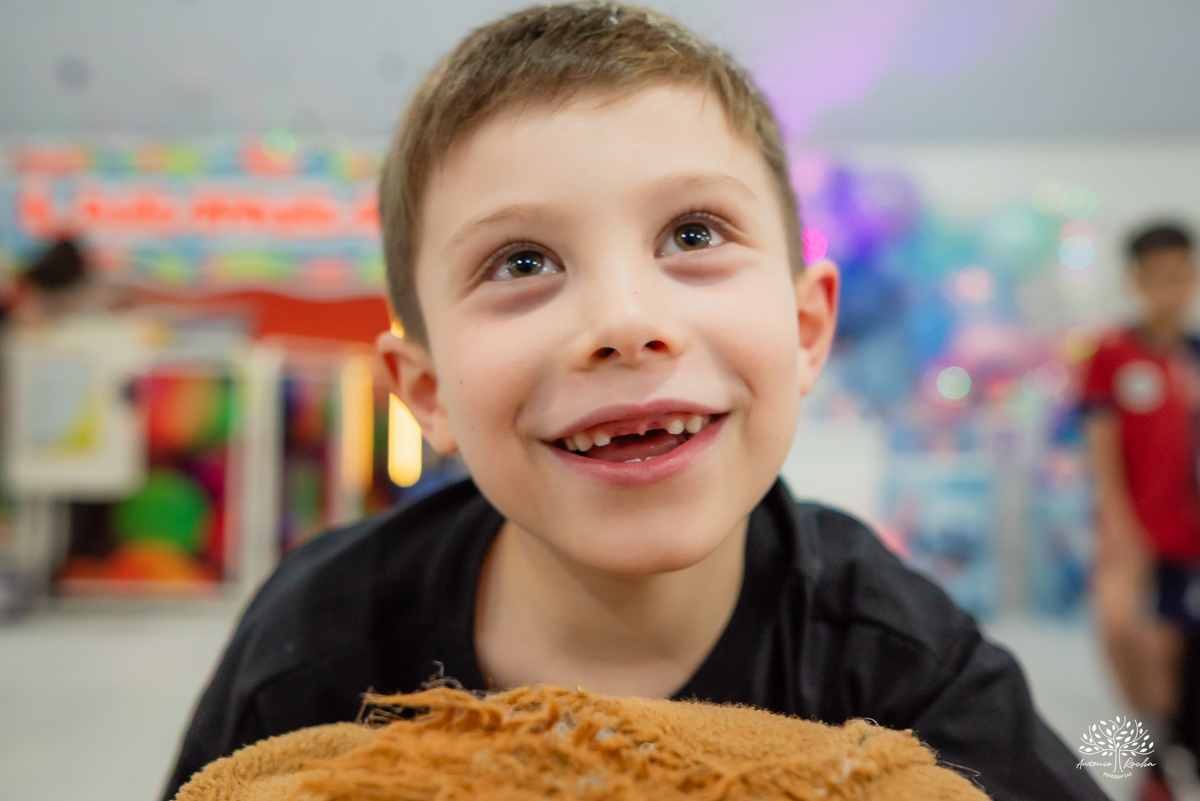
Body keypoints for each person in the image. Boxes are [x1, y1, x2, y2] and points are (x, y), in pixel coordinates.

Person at [163, 4, 1105, 799]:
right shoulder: (315, 639)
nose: (624, 321)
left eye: (693, 233)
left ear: (807, 328)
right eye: (521, 262)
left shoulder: (904, 659)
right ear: (428, 391)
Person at [1082, 222, 1200, 796]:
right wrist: (1119, 521)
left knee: (1170, 650)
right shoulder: (1112, 354)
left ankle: (1159, 761)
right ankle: (1147, 748)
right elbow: (1101, 445)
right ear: (1135, 281)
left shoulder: (1194, 357)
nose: (1168, 290)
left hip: (1188, 531)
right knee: (1117, 626)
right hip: (1132, 524)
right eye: (1155, 279)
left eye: (1178, 277)